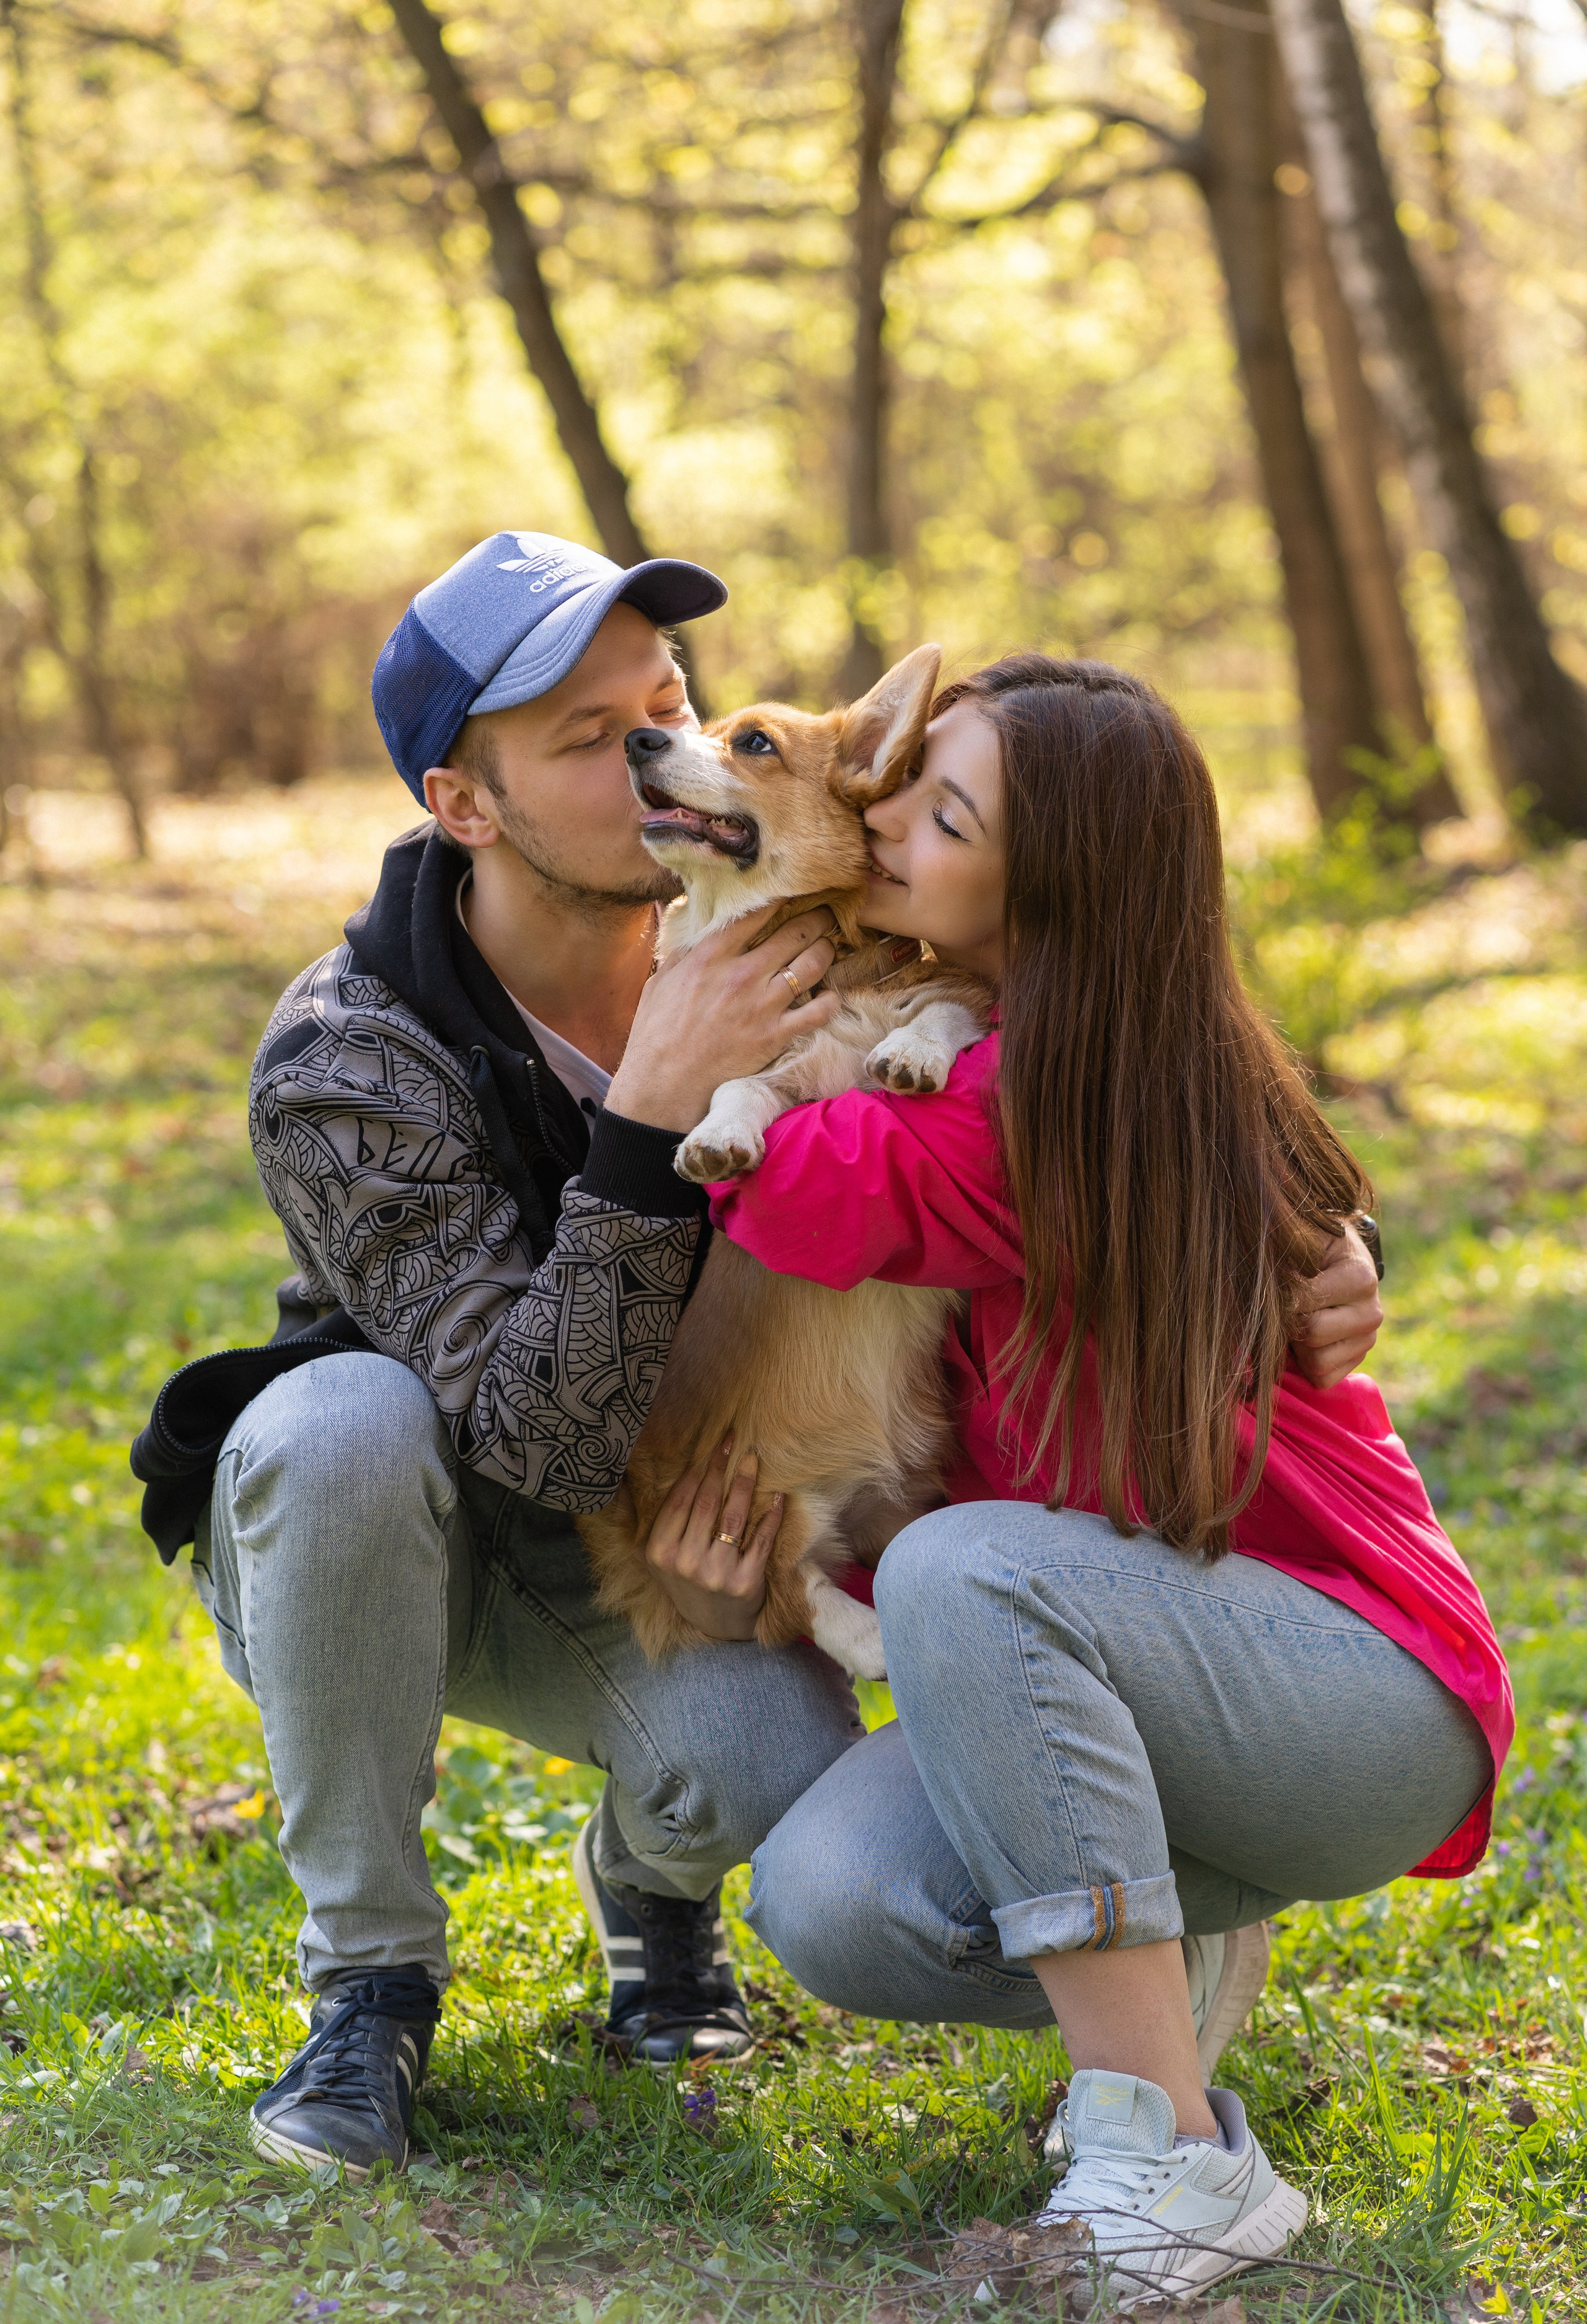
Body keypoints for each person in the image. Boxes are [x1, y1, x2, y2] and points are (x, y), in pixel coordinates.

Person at [133, 548, 1383, 2184]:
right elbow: (534, 1442)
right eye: (588, 738)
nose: (658, 747)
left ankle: (650, 1868)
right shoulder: (352, 1053)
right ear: (465, 805)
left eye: (668, 704)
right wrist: (649, 1116)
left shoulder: (789, 916)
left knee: (772, 1775)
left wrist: (1325, 1257)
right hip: (427, 1534)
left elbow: (1108, 1074)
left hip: (706, 1519)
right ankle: (369, 1978)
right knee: (339, 1428)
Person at [652, 654, 1511, 2306]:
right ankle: (1168, 1947)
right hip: (1163, 1672)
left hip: (1357, 1692)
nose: (883, 811)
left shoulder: (1025, 1106)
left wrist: (683, 1042)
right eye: (903, 783)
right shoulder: (1100, 1051)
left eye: (939, 807)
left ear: (1051, 886)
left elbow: (787, 1183)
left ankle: (1174, 2160)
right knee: (837, 1900)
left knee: (962, 1569)